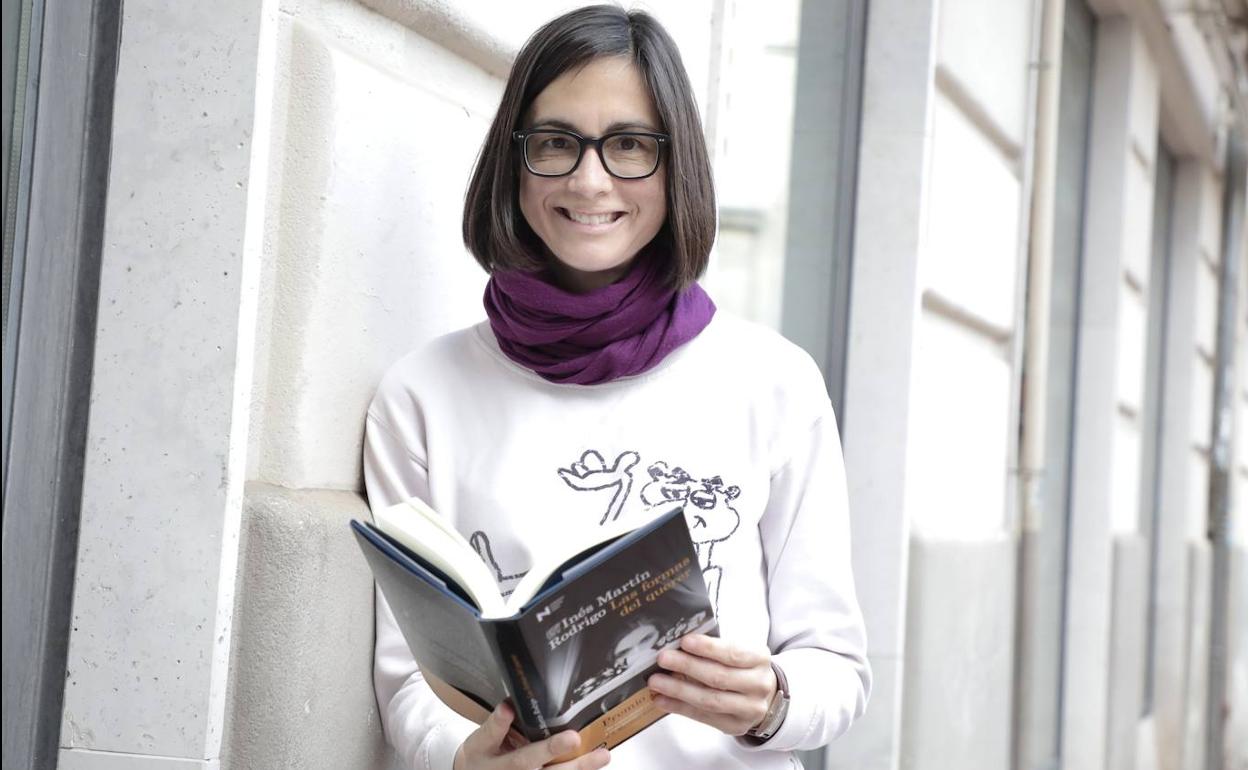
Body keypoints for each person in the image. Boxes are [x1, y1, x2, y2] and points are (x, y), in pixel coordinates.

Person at [362, 6, 871, 770]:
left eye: (629, 144)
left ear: (677, 168)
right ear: (515, 158)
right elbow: (408, 680)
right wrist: (463, 761)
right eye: (556, 143)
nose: (589, 179)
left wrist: (773, 701)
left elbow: (838, 668)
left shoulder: (774, 383)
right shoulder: (420, 395)